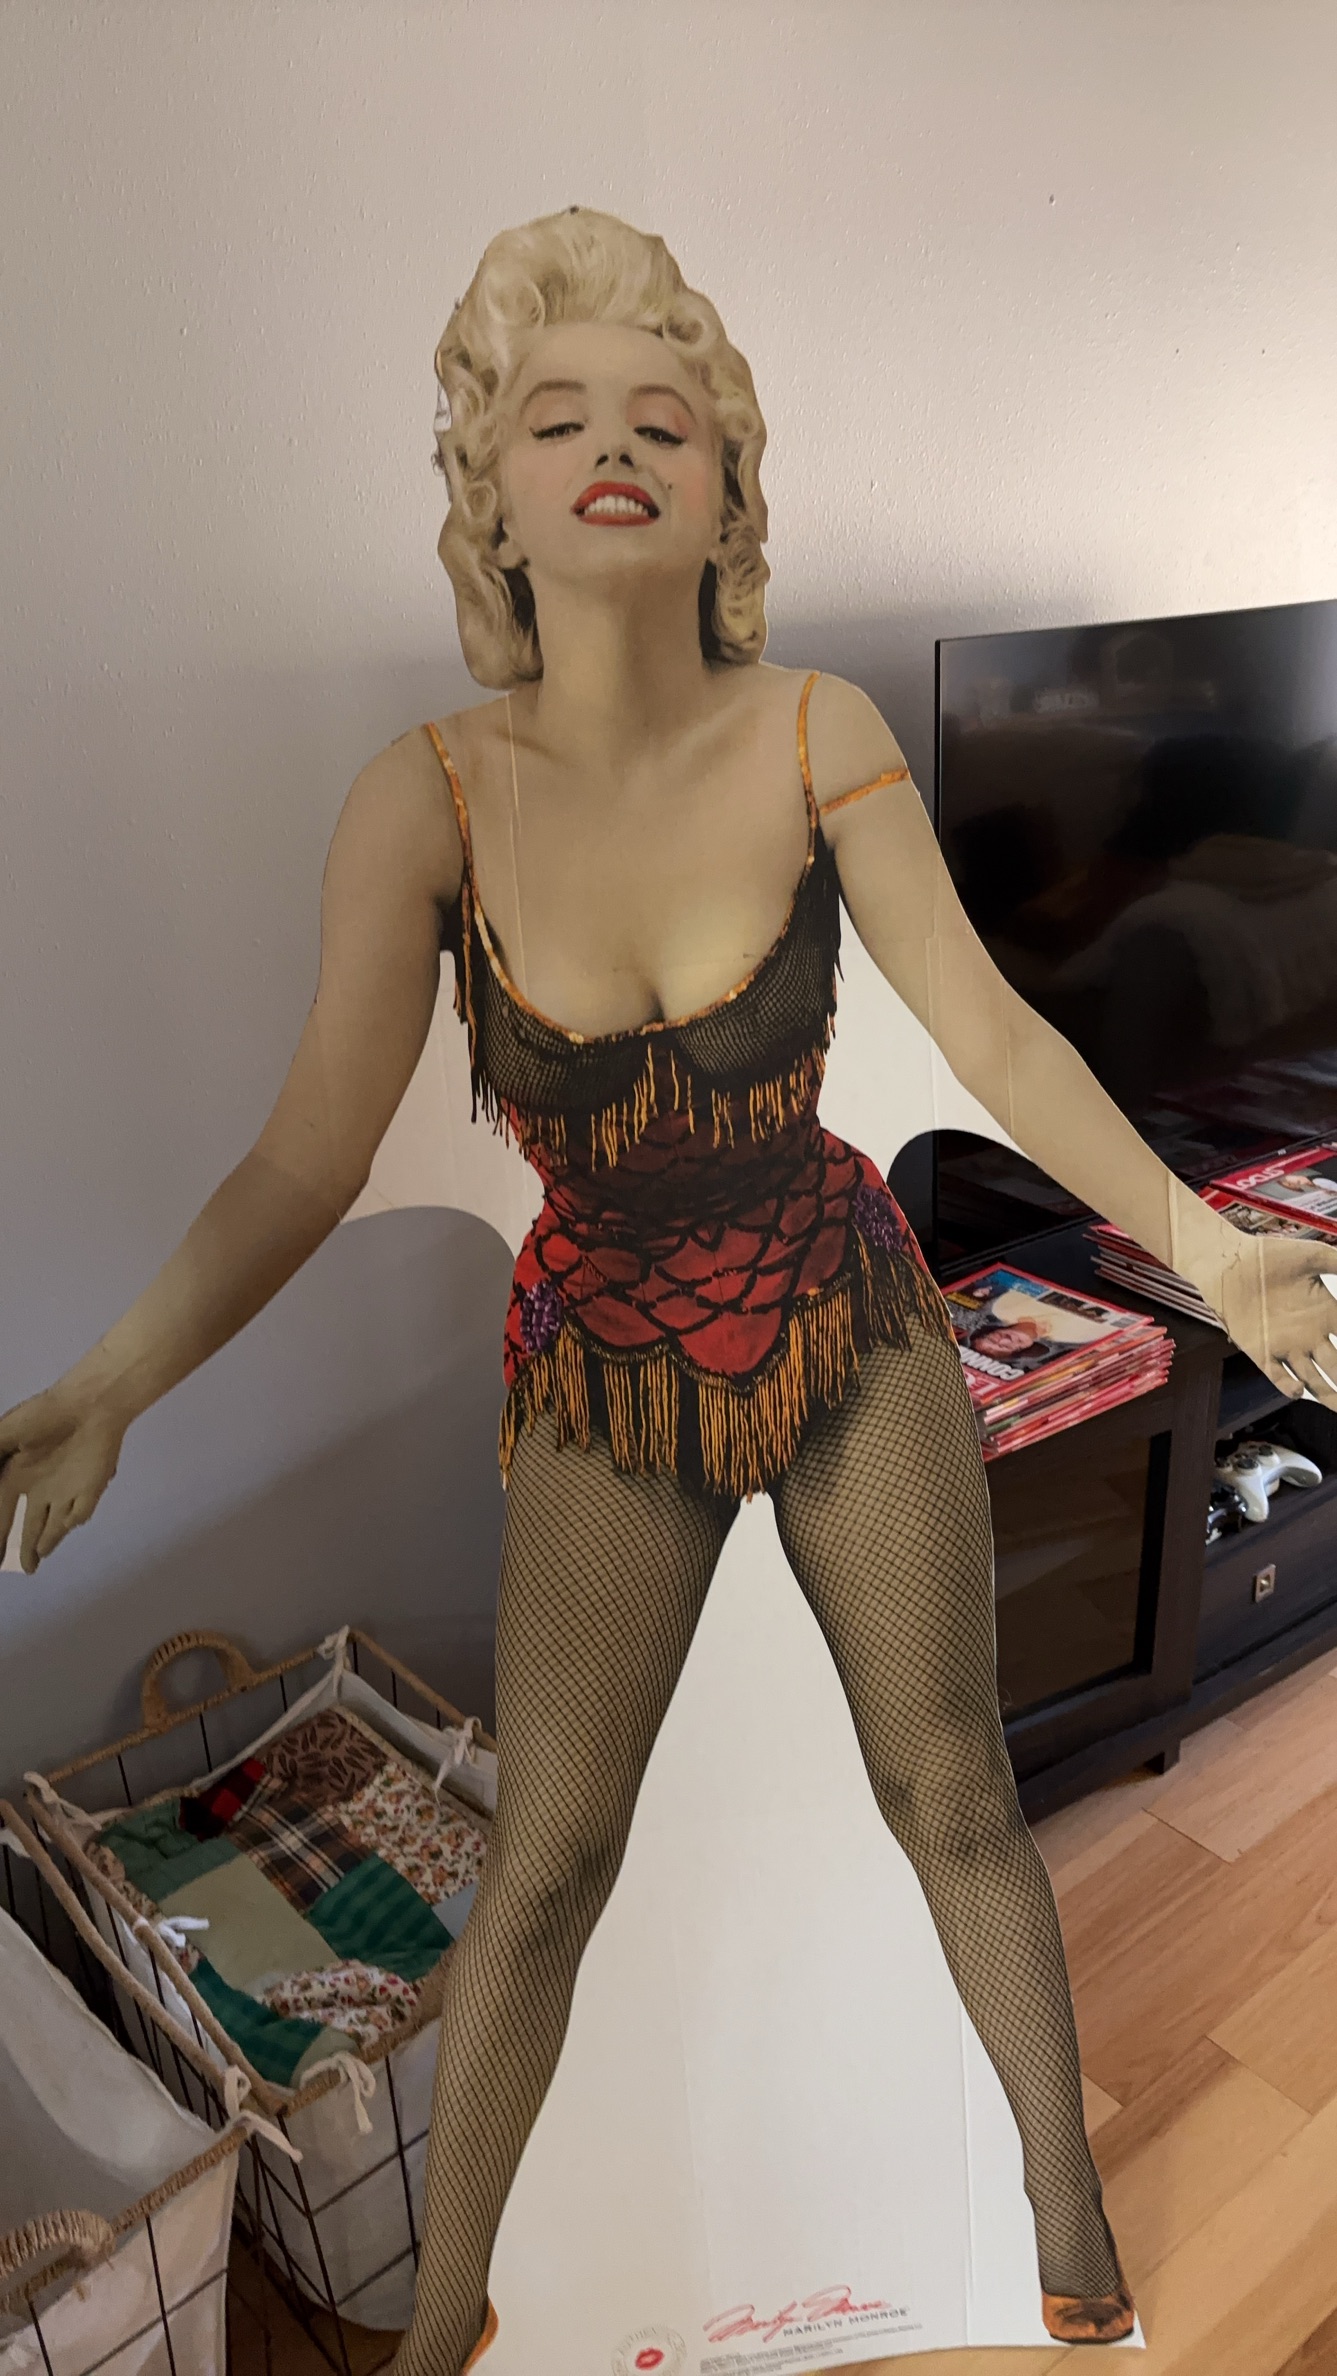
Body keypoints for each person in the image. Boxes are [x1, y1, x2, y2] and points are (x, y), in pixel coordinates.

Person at [4, 208, 1336, 2376]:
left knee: (950, 1786)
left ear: (725, 491)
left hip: (846, 1319)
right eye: (556, 418)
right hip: (604, 1369)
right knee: (544, 1863)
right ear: (491, 493)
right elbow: (305, 1158)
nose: (613, 446)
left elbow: (996, 1037)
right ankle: (446, 2318)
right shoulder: (421, 800)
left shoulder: (817, 730)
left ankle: (1054, 2195)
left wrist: (1207, 1252)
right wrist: (113, 1382)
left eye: (666, 416)